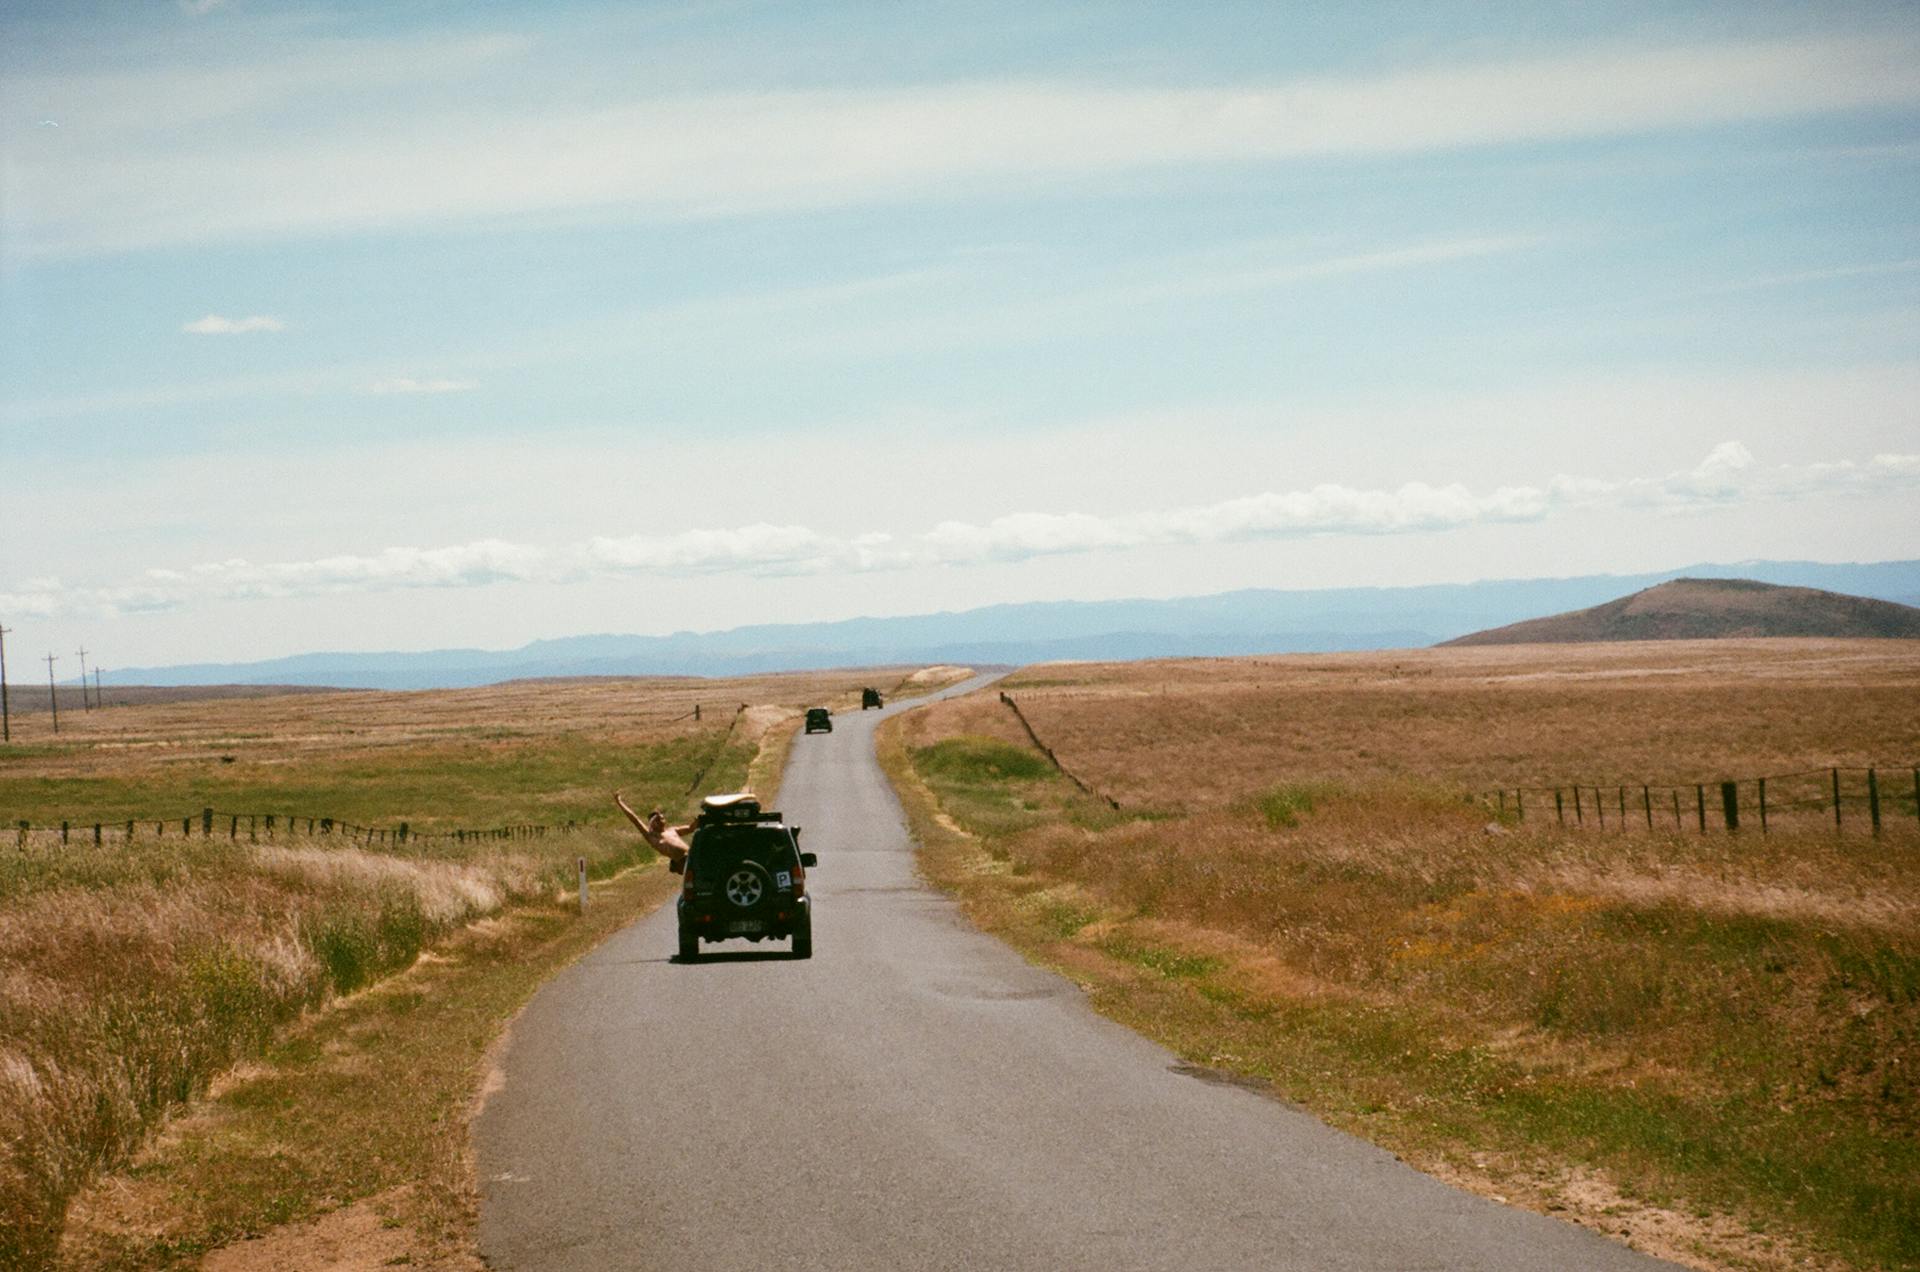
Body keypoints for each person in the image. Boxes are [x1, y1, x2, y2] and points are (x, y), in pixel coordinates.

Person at [614, 791, 691, 872]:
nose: (660, 820)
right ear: (652, 824)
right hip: (683, 863)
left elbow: (691, 828)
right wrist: (619, 802)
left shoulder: (672, 830)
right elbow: (635, 819)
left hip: (692, 856)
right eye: (657, 819)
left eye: (661, 818)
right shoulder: (651, 836)